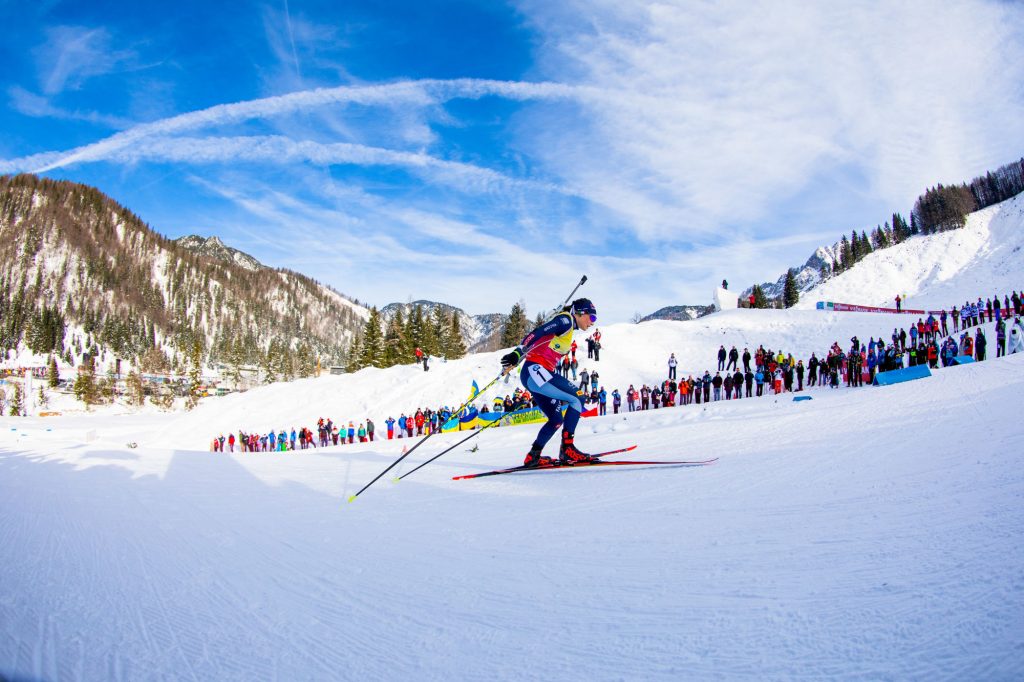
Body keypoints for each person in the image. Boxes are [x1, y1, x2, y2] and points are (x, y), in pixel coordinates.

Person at [500, 298, 599, 467]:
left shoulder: (568, 327)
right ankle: (567, 449)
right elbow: (537, 332)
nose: (592, 323)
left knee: (556, 418)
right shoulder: (566, 320)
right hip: (536, 371)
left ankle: (533, 455)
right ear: (581, 313)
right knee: (578, 398)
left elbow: (543, 340)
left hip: (536, 375)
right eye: (592, 318)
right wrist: (518, 352)